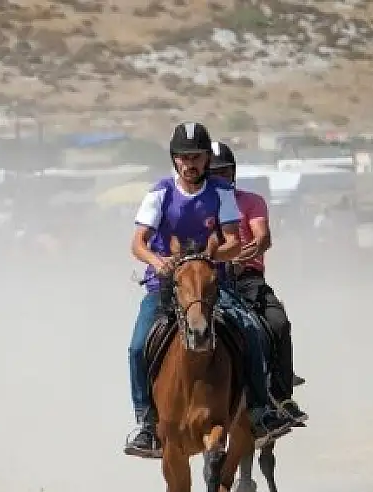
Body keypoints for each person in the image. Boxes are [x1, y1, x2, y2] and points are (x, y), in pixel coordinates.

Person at [123, 122, 298, 459]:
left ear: (206, 159)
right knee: (136, 346)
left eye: (197, 156)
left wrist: (210, 258)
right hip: (166, 284)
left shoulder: (220, 193)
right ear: (174, 160)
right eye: (184, 157)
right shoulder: (159, 193)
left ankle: (261, 412)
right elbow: (138, 243)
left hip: (211, 283)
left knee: (251, 331)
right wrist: (158, 262)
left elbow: (233, 240)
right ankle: (146, 423)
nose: (191, 163)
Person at [209, 140, 309, 424]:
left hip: (247, 278)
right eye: (214, 173)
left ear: (234, 173)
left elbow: (262, 236)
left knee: (278, 322)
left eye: (225, 172)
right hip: (208, 281)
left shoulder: (251, 201)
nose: (220, 178)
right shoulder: (198, 206)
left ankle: (282, 396)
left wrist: (246, 253)